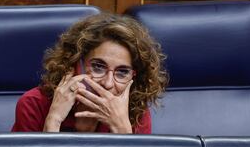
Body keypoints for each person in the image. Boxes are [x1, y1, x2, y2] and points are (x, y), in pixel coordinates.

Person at [11, 13, 167, 134]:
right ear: (74, 64)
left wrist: (123, 130)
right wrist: (53, 120)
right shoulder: (34, 104)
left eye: (122, 72)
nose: (108, 83)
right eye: (98, 67)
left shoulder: (135, 111)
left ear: (134, 76)